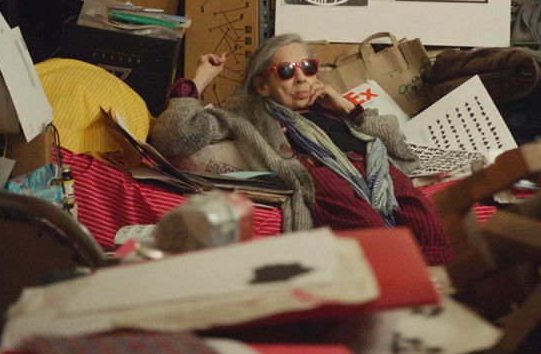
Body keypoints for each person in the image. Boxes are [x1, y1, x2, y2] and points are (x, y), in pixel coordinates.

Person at [150, 33, 453, 265]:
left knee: (426, 222)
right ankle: (394, 292)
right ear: (262, 85)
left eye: (308, 67)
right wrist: (200, 77)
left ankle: (436, 299)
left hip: (375, 166)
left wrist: (347, 107)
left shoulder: (332, 109)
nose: (301, 78)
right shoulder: (247, 120)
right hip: (316, 172)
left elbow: (399, 149)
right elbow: (175, 136)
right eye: (286, 71)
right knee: (368, 228)